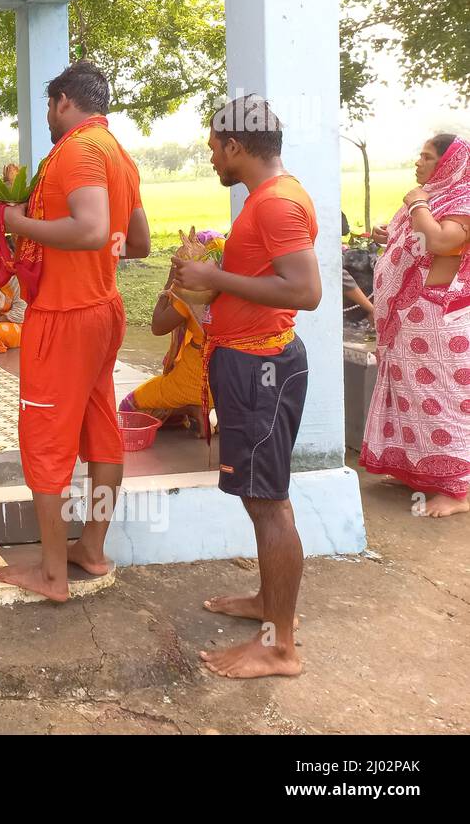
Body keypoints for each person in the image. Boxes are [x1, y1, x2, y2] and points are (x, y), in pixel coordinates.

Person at [174, 94, 321, 680]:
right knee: (262, 499)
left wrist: (212, 276)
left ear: (236, 146)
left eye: (214, 147)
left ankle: (279, 647)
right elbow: (258, 281)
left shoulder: (276, 205)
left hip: (263, 370)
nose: (212, 158)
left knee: (269, 505)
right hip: (247, 363)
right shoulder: (267, 200)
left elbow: (305, 291)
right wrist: (208, 278)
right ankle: (269, 605)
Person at [0, 61, 150, 602]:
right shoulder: (118, 154)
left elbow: (88, 228)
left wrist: (19, 224)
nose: (49, 118)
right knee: (102, 434)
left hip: (64, 316)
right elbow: (139, 242)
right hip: (103, 310)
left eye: (49, 107)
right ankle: (93, 547)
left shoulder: (79, 151)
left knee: (45, 441)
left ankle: (53, 574)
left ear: (63, 101)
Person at [361, 133, 470, 516]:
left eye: (427, 157)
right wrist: (390, 236)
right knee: (414, 399)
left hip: (441, 322)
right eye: (419, 155)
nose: (418, 163)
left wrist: (418, 202)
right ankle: (420, 474)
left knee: (444, 403)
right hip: (413, 319)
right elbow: (421, 242)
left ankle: (458, 492)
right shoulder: (437, 197)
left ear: (449, 162)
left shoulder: (462, 199)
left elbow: (441, 242)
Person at [119, 238, 217, 433]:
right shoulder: (240, 291)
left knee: (128, 407)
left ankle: (193, 407)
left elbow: (158, 327)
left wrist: (171, 284)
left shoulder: (192, 296)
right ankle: (202, 409)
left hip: (195, 380)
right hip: (232, 382)